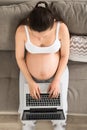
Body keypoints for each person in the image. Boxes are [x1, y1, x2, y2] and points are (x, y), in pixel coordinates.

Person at [15, 1, 70, 130]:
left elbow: (64, 56)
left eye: (44, 35)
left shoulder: (61, 28)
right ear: (29, 22)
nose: (40, 38)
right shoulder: (22, 30)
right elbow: (19, 57)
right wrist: (30, 82)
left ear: (53, 23)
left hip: (57, 73)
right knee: (26, 110)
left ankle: (59, 126)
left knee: (60, 109)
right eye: (36, 34)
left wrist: (56, 80)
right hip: (29, 74)